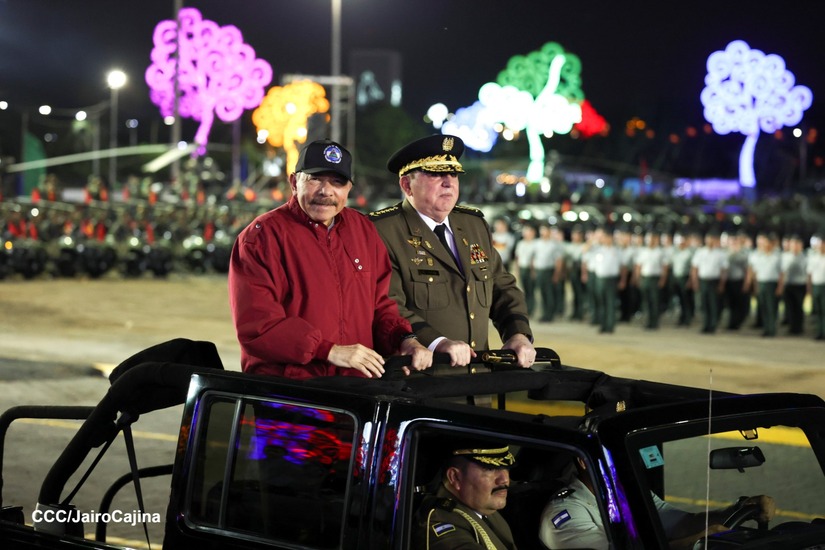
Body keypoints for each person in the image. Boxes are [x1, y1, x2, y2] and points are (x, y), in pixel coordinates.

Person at [228, 139, 432, 378]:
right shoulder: (262, 238)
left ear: (349, 188)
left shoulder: (363, 231)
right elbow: (257, 324)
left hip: (356, 385)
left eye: (338, 182)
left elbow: (381, 305)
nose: (326, 191)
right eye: (315, 179)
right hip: (290, 388)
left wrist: (403, 339)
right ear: (294, 183)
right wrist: (329, 351)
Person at [371, 134, 535, 371]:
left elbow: (502, 288)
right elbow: (387, 304)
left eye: (454, 174)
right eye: (436, 174)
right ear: (406, 185)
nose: (448, 182)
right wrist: (436, 342)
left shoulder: (473, 225)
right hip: (422, 376)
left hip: (477, 376)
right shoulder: (383, 231)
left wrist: (517, 334)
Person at [539, 457, 776, 550]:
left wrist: (739, 510)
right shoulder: (565, 512)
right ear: (584, 462)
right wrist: (695, 542)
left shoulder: (623, 493)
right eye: (611, 455)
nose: (622, 463)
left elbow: (681, 523)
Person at [413, 443, 517, 550]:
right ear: (455, 477)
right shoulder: (441, 521)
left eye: (506, 468)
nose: (505, 480)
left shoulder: (482, 507)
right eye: (490, 469)